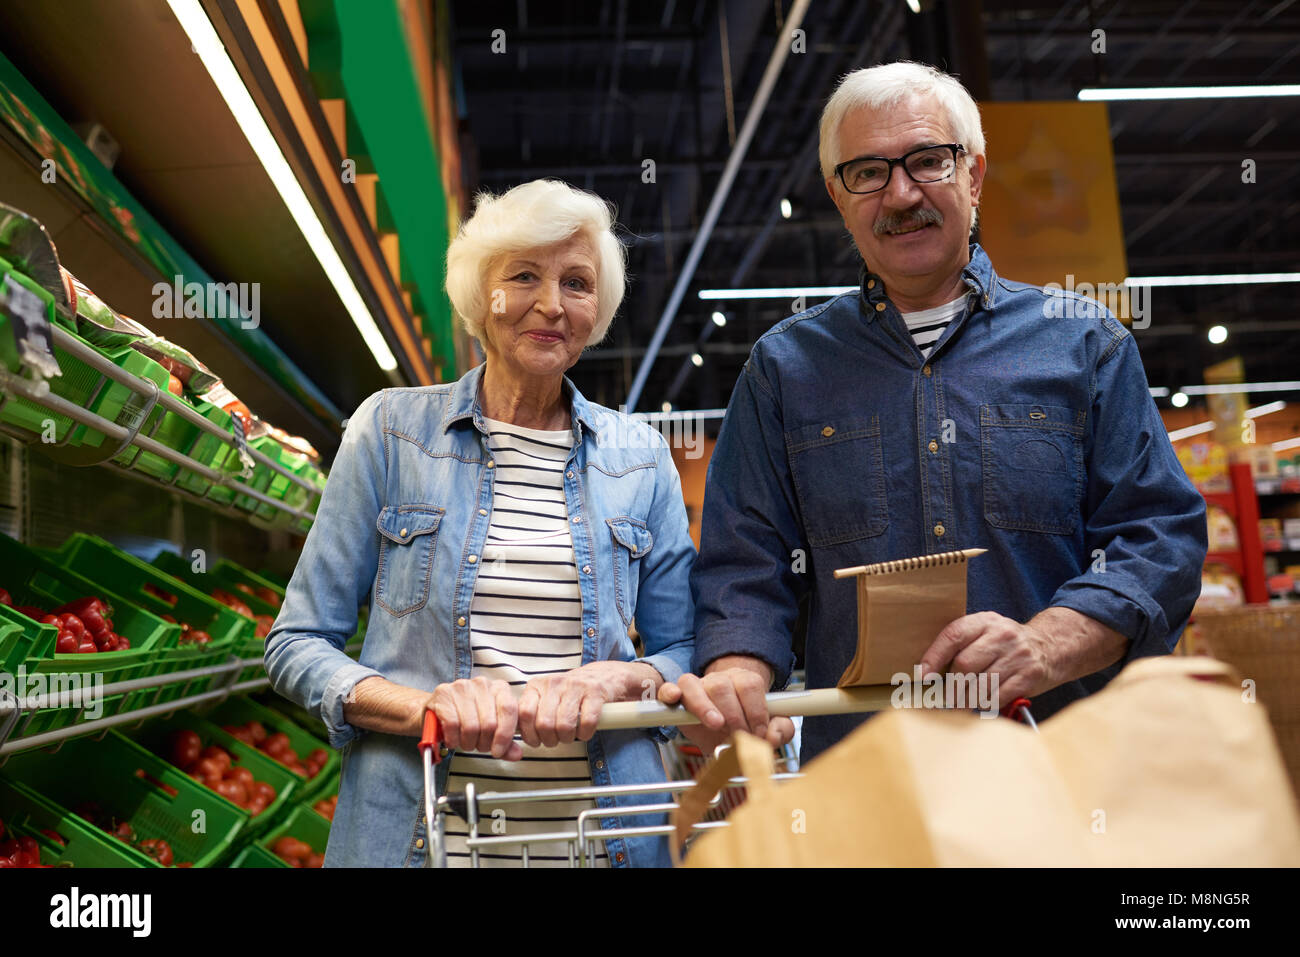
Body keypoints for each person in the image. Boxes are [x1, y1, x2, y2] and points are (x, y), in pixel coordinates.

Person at [658, 61, 1207, 763]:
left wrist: (1049, 640)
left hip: (1063, 771)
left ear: (973, 176)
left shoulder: (1085, 344)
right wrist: (738, 668)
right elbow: (746, 564)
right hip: (867, 782)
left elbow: (1160, 535)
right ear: (837, 194)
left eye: (927, 161)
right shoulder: (784, 371)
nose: (901, 193)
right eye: (868, 172)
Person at [266, 179, 696, 867]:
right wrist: (424, 706)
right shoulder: (391, 430)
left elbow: (686, 645)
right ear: (480, 294)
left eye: (577, 283)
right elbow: (296, 643)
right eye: (524, 275)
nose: (551, 304)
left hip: (606, 839)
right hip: (422, 839)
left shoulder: (639, 456)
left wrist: (619, 678)